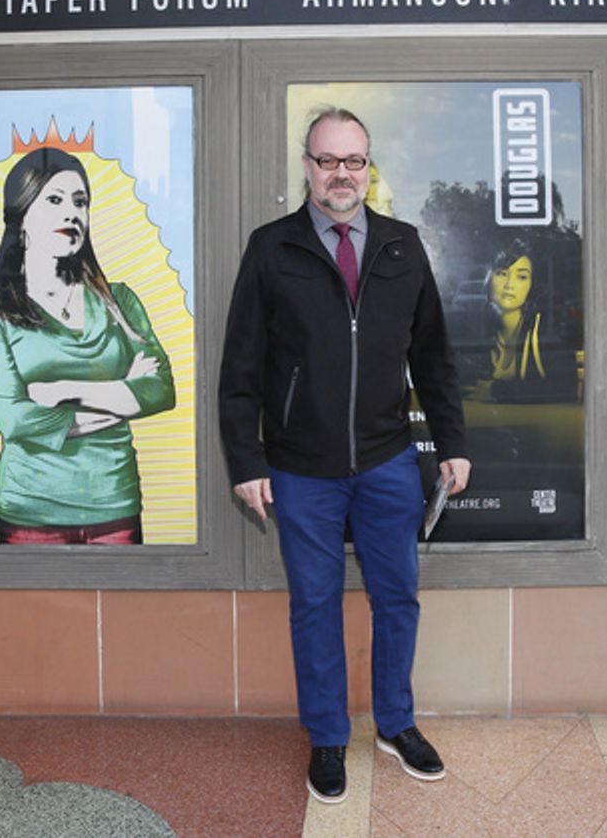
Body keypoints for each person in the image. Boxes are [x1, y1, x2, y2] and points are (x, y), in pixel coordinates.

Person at [218, 107, 471, 803]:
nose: (341, 174)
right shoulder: (272, 248)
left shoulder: (401, 246)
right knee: (314, 604)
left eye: (353, 161)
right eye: (327, 160)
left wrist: (452, 443)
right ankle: (328, 735)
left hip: (388, 462)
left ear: (368, 168)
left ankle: (395, 723)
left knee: (397, 598)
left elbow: (434, 356)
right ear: (307, 166)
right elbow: (240, 367)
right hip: (301, 468)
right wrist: (246, 461)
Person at [0, 146, 175, 544]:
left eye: (81, 202)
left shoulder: (119, 302)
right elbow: (16, 421)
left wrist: (63, 391)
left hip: (116, 504)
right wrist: (122, 398)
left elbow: (161, 391)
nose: (72, 213)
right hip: (30, 512)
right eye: (55, 200)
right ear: (21, 216)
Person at [460, 238, 578, 403]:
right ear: (488, 280)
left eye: (521, 277)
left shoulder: (545, 329)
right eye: (502, 274)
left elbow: (565, 387)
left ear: (532, 284)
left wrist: (496, 391)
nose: (509, 284)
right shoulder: (472, 329)